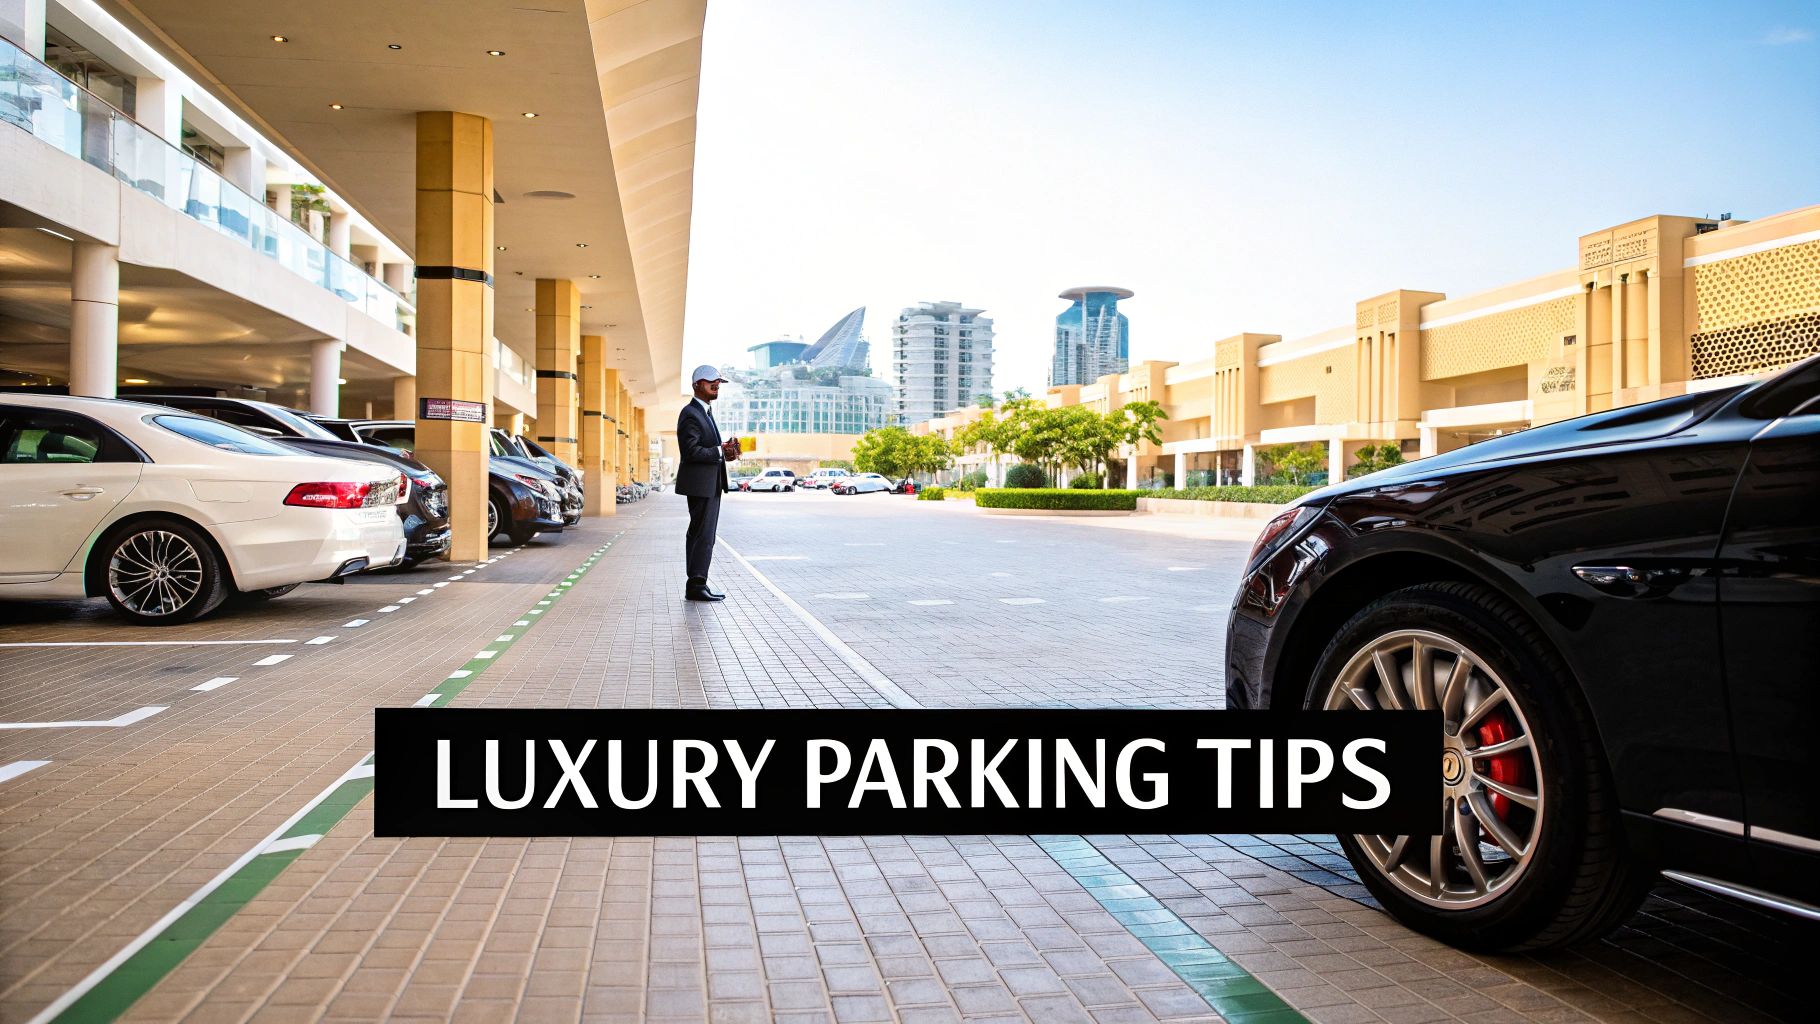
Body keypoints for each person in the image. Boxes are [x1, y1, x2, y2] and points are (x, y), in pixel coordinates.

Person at [675, 365, 741, 601]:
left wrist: (726, 452)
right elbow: (690, 451)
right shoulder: (691, 413)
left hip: (709, 483)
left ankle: (697, 582)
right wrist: (719, 451)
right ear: (696, 385)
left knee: (703, 534)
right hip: (700, 485)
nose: (716, 385)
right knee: (703, 534)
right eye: (711, 381)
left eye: (718, 382)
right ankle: (696, 584)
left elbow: (709, 449)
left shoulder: (705, 412)